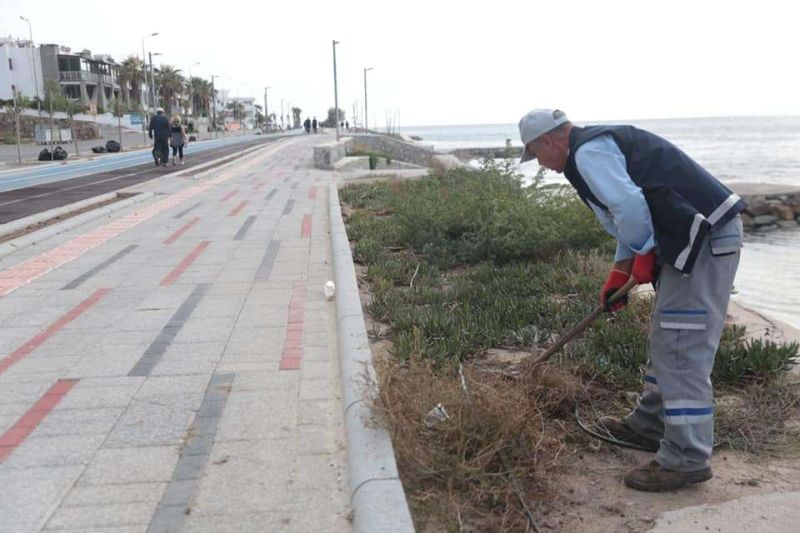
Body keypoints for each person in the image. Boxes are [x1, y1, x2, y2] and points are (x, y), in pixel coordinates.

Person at [518, 109, 746, 492]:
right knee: (667, 335)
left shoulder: (588, 153)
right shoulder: (591, 151)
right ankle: (652, 422)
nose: (541, 165)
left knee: (680, 344)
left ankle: (687, 458)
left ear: (549, 140)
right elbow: (624, 215)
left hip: (704, 238)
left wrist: (643, 255)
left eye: (537, 155)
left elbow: (629, 206)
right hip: (690, 238)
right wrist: (621, 270)